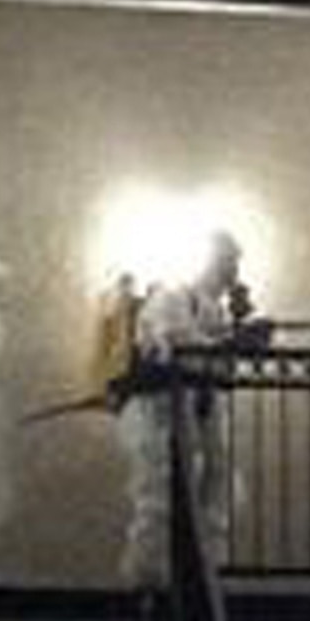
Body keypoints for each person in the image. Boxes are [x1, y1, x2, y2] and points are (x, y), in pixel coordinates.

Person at [120, 230, 272, 589]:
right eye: (230, 260)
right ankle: (149, 588)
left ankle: (201, 579)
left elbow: (218, 368)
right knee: (160, 498)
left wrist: (239, 340)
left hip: (198, 411)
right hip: (160, 413)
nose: (234, 270)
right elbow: (177, 350)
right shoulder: (173, 296)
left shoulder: (213, 308)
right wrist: (232, 344)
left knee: (213, 492)